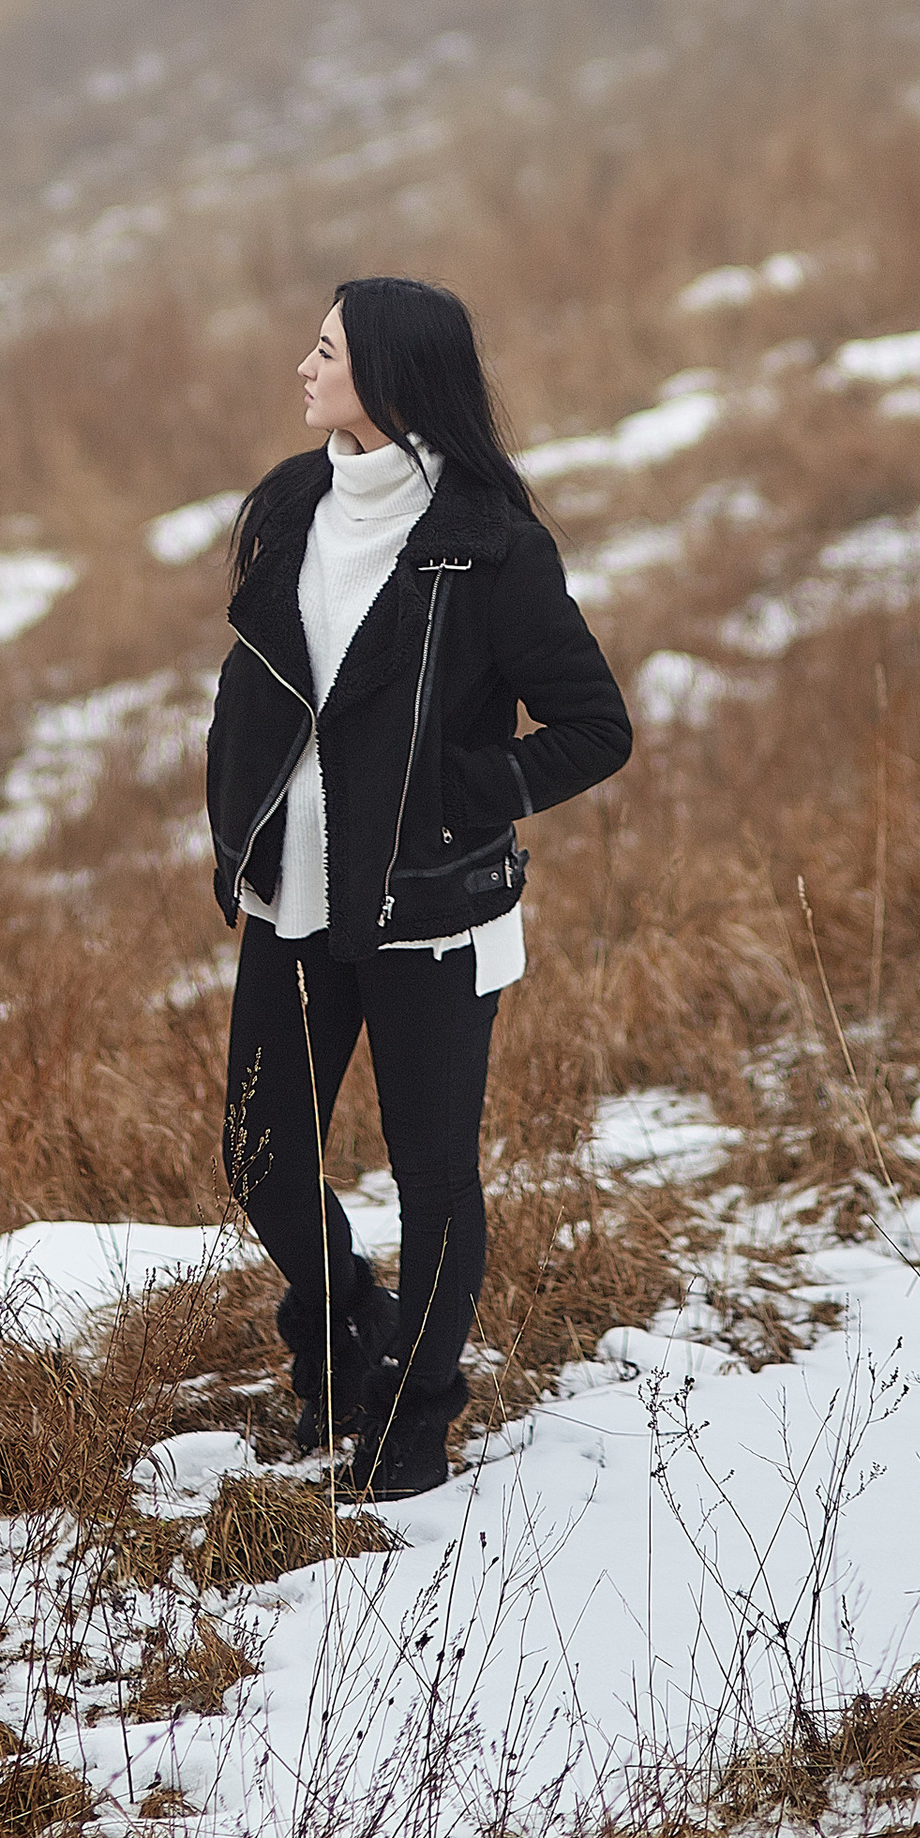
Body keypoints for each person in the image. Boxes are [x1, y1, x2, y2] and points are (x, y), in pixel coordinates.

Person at [204, 275, 634, 1499]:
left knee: (434, 1171)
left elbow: (595, 729)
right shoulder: (288, 506)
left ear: (385, 377)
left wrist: (458, 797)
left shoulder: (487, 544)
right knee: (259, 1153)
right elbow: (260, 685)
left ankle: (415, 1415)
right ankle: (344, 1340)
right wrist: (232, 806)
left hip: (430, 913)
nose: (302, 364)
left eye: (325, 349)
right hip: (293, 901)